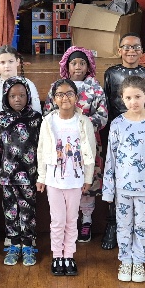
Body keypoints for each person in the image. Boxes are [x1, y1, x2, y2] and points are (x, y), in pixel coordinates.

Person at [102, 76, 145, 283]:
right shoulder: (117, 124)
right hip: (122, 189)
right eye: (128, 98)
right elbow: (110, 158)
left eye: (137, 97)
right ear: (122, 98)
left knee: (143, 227)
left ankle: (138, 261)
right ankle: (125, 260)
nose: (133, 102)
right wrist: (108, 189)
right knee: (123, 226)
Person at [43, 46, 108, 243]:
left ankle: (86, 220)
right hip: (62, 145)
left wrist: (82, 126)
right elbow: (48, 113)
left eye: (82, 63)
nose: (78, 67)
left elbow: (102, 115)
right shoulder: (58, 86)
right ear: (66, 66)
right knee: (65, 182)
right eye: (73, 63)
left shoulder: (95, 87)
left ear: (89, 66)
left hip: (88, 143)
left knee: (87, 182)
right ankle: (64, 223)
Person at [101, 34, 145, 250]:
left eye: (136, 47)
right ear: (119, 50)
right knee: (116, 176)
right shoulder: (111, 73)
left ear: (142, 51)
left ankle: (142, 229)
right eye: (126, 47)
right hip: (118, 131)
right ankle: (113, 223)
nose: (131, 51)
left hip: (142, 132)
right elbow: (107, 101)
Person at [37, 78, 95, 276]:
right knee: (57, 220)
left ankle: (69, 255)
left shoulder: (83, 122)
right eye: (60, 94)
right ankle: (57, 255)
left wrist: (88, 178)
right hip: (54, 181)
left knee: (72, 219)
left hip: (75, 181)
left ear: (76, 97)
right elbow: (41, 151)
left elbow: (90, 152)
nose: (65, 98)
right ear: (54, 99)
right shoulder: (48, 121)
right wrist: (41, 177)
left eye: (69, 94)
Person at [0, 77, 42, 267]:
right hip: (8, 177)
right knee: (10, 212)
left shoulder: (36, 118)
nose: (17, 99)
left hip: (30, 176)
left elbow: (42, 147)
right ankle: (13, 244)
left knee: (28, 212)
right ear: (6, 97)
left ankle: (28, 245)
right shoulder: (0, 119)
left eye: (21, 95)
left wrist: (42, 174)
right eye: (13, 96)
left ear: (28, 96)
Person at [0, 45, 40, 114]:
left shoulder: (28, 84)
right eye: (2, 62)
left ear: (17, 61)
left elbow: (37, 111)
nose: (7, 66)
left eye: (10, 61)